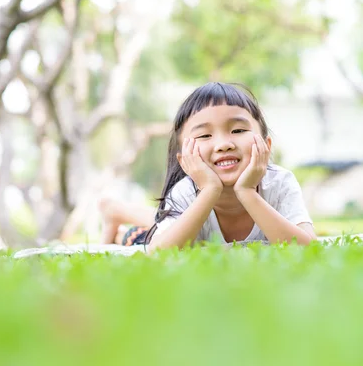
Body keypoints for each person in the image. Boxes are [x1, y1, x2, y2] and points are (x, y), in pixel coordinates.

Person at [99, 82, 316, 251]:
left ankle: (117, 209)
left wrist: (247, 193)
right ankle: (116, 214)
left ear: (266, 145)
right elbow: (159, 254)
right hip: (176, 228)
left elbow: (309, 250)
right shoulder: (185, 191)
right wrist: (210, 190)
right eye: (204, 135)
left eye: (238, 131)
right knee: (143, 236)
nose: (223, 145)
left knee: (165, 219)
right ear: (184, 160)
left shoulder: (280, 183)